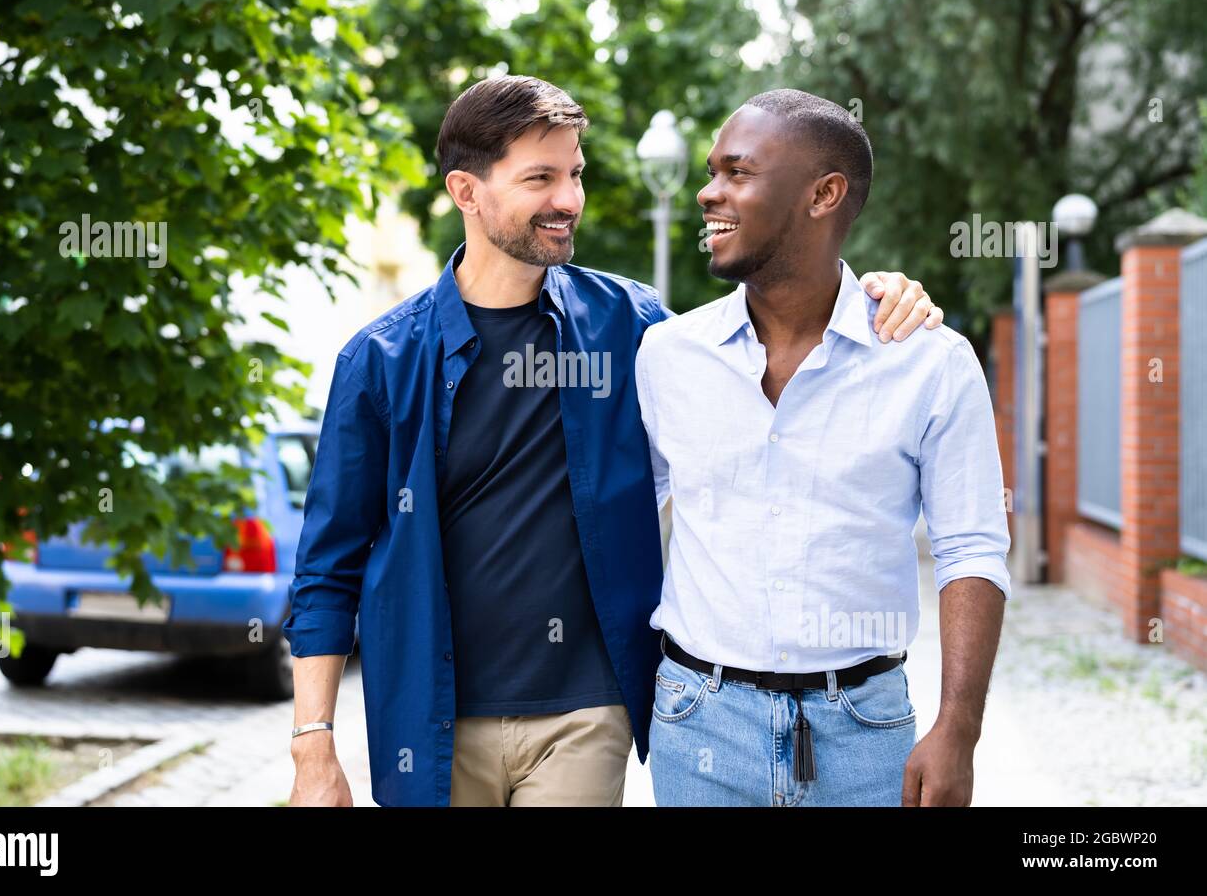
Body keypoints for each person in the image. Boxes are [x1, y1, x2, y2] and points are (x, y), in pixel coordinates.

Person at [286, 76, 942, 807]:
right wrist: (314, 746)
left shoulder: (631, 327)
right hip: (430, 718)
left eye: (575, 174)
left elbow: (760, 327)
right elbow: (328, 564)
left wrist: (870, 292)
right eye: (541, 177)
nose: (569, 199)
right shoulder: (380, 361)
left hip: (584, 712)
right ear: (466, 192)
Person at [635, 89, 1010, 807]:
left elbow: (971, 548)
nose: (708, 193)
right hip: (699, 725)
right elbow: (619, 519)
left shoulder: (929, 361)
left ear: (824, 194)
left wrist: (959, 728)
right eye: (711, 171)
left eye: (736, 173)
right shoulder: (667, 354)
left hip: (866, 734)